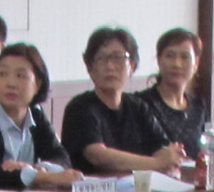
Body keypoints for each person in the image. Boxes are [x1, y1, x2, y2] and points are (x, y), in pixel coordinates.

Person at [60, 26, 186, 177]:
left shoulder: (138, 106)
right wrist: (156, 163)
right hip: (94, 190)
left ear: (131, 66)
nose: (110, 66)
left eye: (118, 57)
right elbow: (99, 156)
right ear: (90, 68)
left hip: (138, 189)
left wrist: (169, 157)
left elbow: (163, 149)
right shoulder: (79, 107)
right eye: (101, 58)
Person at [0, 43, 78, 190]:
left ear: (37, 84)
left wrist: (36, 168)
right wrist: (42, 176)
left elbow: (62, 159)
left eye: (20, 76)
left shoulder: (37, 116)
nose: (10, 83)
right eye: (3, 74)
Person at [130, 28, 211, 168]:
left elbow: (206, 151)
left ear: (196, 64)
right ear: (159, 60)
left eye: (185, 57)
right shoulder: (141, 103)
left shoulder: (199, 106)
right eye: (170, 56)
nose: (177, 64)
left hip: (194, 177)